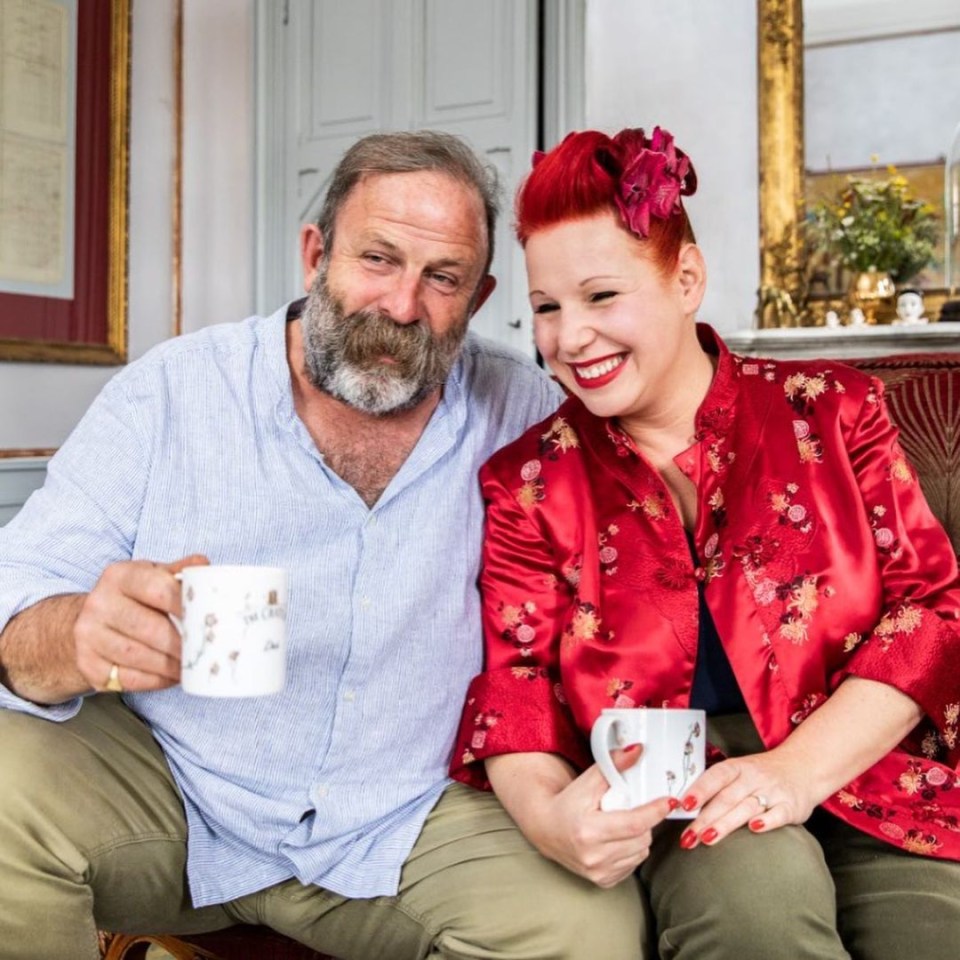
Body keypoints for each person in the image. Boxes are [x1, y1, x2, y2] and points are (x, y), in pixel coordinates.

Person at [0, 131, 649, 960]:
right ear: (316, 252)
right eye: (377, 259)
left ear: (480, 297)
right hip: (182, 787)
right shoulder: (173, 390)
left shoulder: (527, 413)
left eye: (442, 278)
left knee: (584, 932)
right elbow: (17, 593)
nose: (403, 305)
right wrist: (80, 634)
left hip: (415, 813)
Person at [450, 126, 960, 960]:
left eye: (601, 297)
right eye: (547, 308)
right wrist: (548, 819)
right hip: (671, 790)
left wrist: (796, 771)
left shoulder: (832, 411)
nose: (570, 339)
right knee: (757, 913)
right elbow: (517, 685)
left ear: (686, 278)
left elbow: (930, 609)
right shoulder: (527, 483)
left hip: (868, 762)